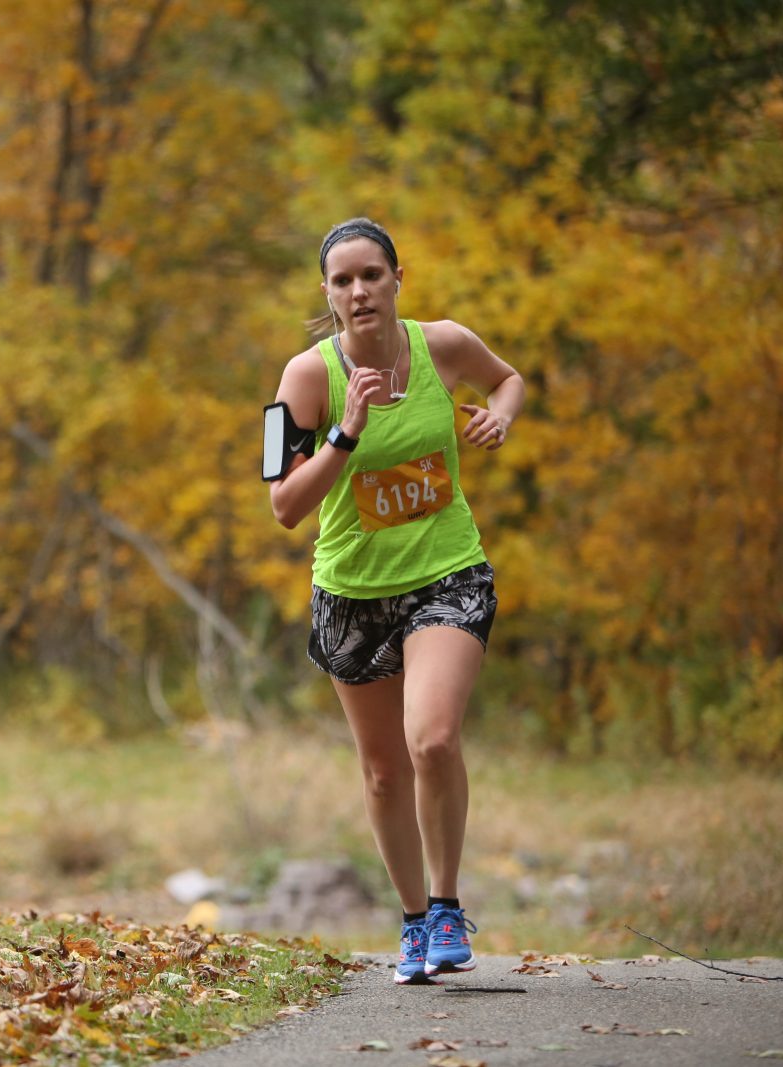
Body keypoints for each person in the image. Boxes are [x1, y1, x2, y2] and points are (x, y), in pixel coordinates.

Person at [268, 218, 525, 985]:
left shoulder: (442, 345)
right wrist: (345, 434)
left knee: (434, 739)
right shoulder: (307, 378)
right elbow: (283, 505)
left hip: (447, 573)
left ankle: (446, 906)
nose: (359, 291)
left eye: (371, 275)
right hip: (351, 594)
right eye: (342, 280)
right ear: (328, 294)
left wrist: (499, 417)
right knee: (384, 772)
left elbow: (507, 378)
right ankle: (413, 920)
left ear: (396, 278)